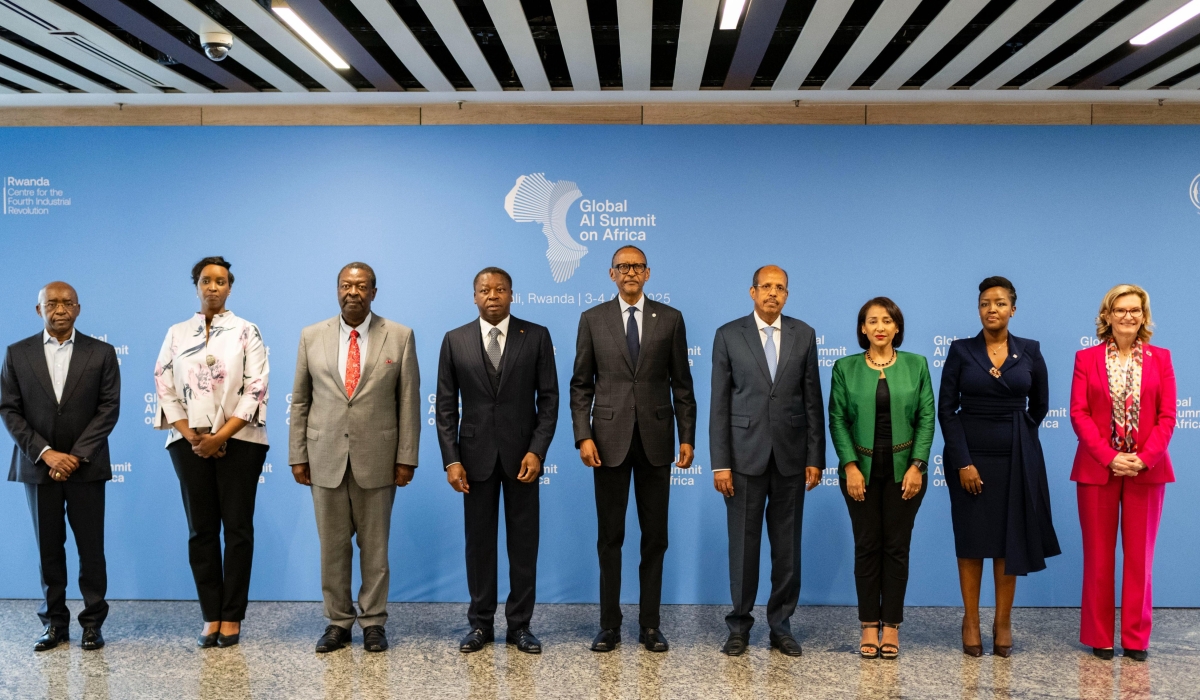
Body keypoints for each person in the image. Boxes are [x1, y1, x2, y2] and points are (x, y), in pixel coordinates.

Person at [570, 245, 697, 653]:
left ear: (648, 273)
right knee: (610, 538)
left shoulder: (671, 319)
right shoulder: (592, 319)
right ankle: (609, 625)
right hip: (607, 444)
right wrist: (583, 435)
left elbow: (683, 386)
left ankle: (650, 625)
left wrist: (688, 436)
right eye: (623, 267)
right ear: (611, 274)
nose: (630, 272)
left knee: (654, 538)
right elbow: (581, 386)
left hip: (658, 443)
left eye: (637, 266)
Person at [289, 262, 421, 654]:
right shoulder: (311, 336)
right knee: (332, 548)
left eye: (361, 286)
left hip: (378, 458)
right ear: (336, 290)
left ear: (374, 292)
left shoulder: (398, 336)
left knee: (375, 549)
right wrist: (298, 454)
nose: (353, 292)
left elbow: (408, 402)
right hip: (324, 455)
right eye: (346, 285)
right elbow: (300, 401)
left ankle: (374, 622)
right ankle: (338, 622)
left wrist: (406, 458)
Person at [436, 267, 558, 654]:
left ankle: (520, 626)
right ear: (474, 297)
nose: (493, 295)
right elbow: (444, 408)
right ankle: (480, 625)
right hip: (474, 460)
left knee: (524, 546)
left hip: (523, 458)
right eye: (485, 290)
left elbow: (550, 400)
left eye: (500, 289)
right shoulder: (455, 340)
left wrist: (537, 450)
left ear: (511, 295)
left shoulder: (535, 336)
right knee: (479, 546)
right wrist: (451, 460)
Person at [938, 276, 1060, 658]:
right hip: (969, 458)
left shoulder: (1030, 350)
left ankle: (1002, 621)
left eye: (1000, 302)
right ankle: (971, 620)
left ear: (1013, 309)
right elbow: (946, 410)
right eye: (985, 303)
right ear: (979, 309)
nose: (992, 309)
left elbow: (1038, 405)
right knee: (972, 543)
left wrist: (1018, 437)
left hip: (1018, 458)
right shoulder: (960, 351)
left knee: (1010, 543)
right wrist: (964, 462)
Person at [153, 257, 269, 648]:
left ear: (230, 287)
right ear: (196, 285)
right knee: (201, 531)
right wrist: (193, 436)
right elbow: (164, 384)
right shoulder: (176, 332)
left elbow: (256, 387)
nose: (213, 287)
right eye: (206, 280)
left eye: (220, 281)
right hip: (189, 445)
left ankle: (232, 616)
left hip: (240, 442)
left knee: (237, 530)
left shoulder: (246, 330)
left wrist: (220, 437)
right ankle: (211, 615)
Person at [709, 265, 824, 658]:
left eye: (780, 288)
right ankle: (739, 626)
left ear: (787, 296)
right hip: (742, 459)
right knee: (743, 547)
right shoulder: (728, 335)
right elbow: (719, 404)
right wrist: (720, 463)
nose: (772, 293)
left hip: (792, 459)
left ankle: (781, 626)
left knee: (787, 548)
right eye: (766, 287)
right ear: (752, 292)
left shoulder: (804, 334)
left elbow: (813, 401)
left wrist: (815, 457)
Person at [1, 282, 120, 652]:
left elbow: (108, 409)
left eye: (67, 303)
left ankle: (92, 623)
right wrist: (47, 453)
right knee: (48, 550)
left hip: (87, 467)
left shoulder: (101, 353)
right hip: (38, 467)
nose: (60, 309)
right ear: (39, 310)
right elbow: (9, 409)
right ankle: (54, 624)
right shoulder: (17, 353)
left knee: (91, 549)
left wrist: (75, 456)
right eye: (51, 303)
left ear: (79, 309)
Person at [1070, 284, 1174, 662]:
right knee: (1098, 558)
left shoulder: (1162, 359)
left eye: (1135, 310)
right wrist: (1109, 456)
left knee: (1140, 559)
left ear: (1144, 316)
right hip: (1099, 469)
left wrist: (1144, 458)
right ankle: (1100, 636)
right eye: (1120, 310)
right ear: (1107, 316)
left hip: (1147, 471)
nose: (1128, 316)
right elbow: (1079, 414)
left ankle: (1135, 638)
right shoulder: (1086, 359)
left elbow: (1167, 417)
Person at [828, 297, 934, 659]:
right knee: (867, 546)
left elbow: (926, 418)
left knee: (896, 548)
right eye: (872, 321)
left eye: (887, 320)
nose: (879, 327)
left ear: (897, 327)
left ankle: (891, 626)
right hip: (862, 473)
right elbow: (838, 419)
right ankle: (868, 625)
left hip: (906, 472)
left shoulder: (917, 365)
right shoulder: (845, 368)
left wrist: (917, 465)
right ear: (862, 328)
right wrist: (850, 466)